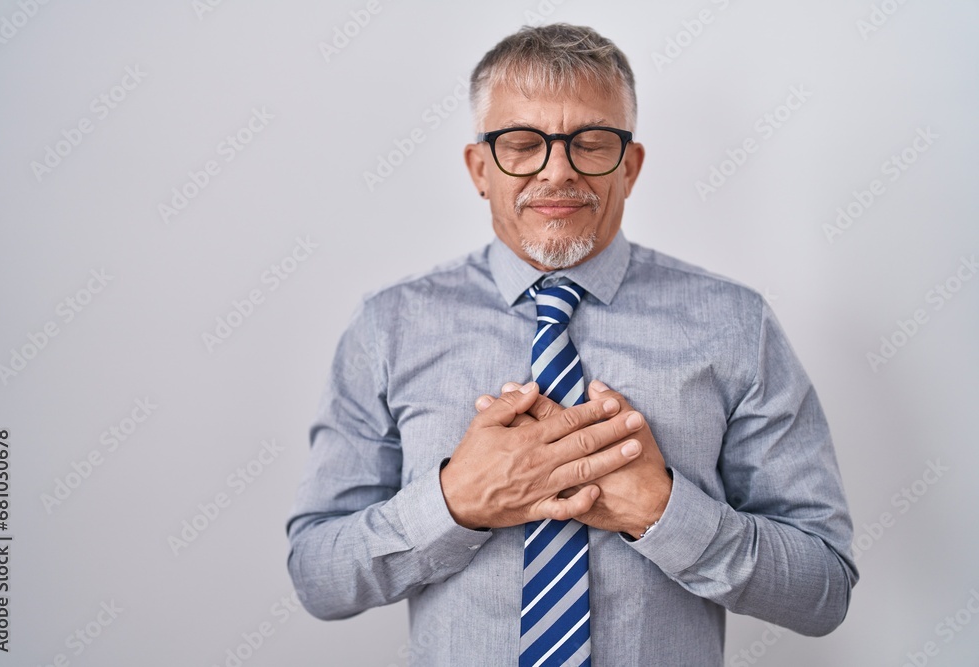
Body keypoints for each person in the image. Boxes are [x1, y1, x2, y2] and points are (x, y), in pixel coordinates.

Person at [287, 23, 858, 666]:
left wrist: (663, 512)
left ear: (630, 165)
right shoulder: (388, 328)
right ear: (480, 168)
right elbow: (317, 576)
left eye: (590, 142)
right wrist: (454, 504)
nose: (557, 171)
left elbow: (824, 590)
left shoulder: (735, 325)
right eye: (523, 144)